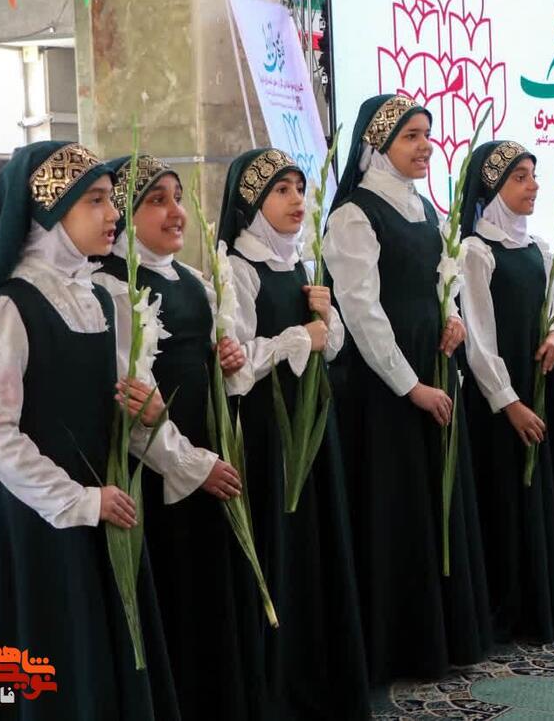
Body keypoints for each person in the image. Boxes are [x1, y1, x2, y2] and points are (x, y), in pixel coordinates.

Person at [0, 141, 180, 719]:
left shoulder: (99, 298)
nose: (113, 215)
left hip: (103, 504)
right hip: (40, 516)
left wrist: (149, 416)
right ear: (51, 209)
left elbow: (114, 404)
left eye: (111, 200)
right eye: (96, 200)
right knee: (49, 656)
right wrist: (78, 501)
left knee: (101, 652)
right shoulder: (11, 308)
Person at [325, 94, 492, 683]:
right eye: (411, 136)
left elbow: (440, 282)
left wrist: (453, 319)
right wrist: (409, 386)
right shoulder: (354, 216)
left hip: (432, 365)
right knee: (398, 507)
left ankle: (443, 634)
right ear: (377, 144)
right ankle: (401, 647)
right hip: (384, 387)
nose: (425, 146)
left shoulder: (422, 207)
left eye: (427, 134)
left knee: (435, 500)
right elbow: (362, 312)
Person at [93, 155, 266, 720]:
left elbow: (224, 376)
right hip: (160, 469)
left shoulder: (192, 280)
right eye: (156, 201)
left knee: (211, 589)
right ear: (123, 214)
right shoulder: (112, 288)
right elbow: (130, 404)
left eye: (177, 198)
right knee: (175, 588)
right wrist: (191, 465)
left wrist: (228, 360)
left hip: (207, 454)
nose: (175, 212)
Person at [218, 147, 369, 718]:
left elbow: (333, 347)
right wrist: (298, 338)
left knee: (312, 545)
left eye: (300, 190)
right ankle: (279, 682)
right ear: (253, 200)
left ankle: (316, 671)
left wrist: (323, 319)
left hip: (310, 429)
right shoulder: (237, 267)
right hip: (267, 432)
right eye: (281, 190)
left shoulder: (301, 265)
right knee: (279, 544)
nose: (296, 201)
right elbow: (235, 367)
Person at [457, 140, 554, 643]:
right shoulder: (475, 251)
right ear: (492, 185)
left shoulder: (538, 247)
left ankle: (543, 603)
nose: (533, 186)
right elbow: (478, 341)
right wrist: (508, 403)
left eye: (533, 175)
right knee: (504, 497)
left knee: (537, 493)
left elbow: (552, 315)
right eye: (520, 177)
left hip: (538, 387)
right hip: (498, 401)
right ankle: (508, 608)